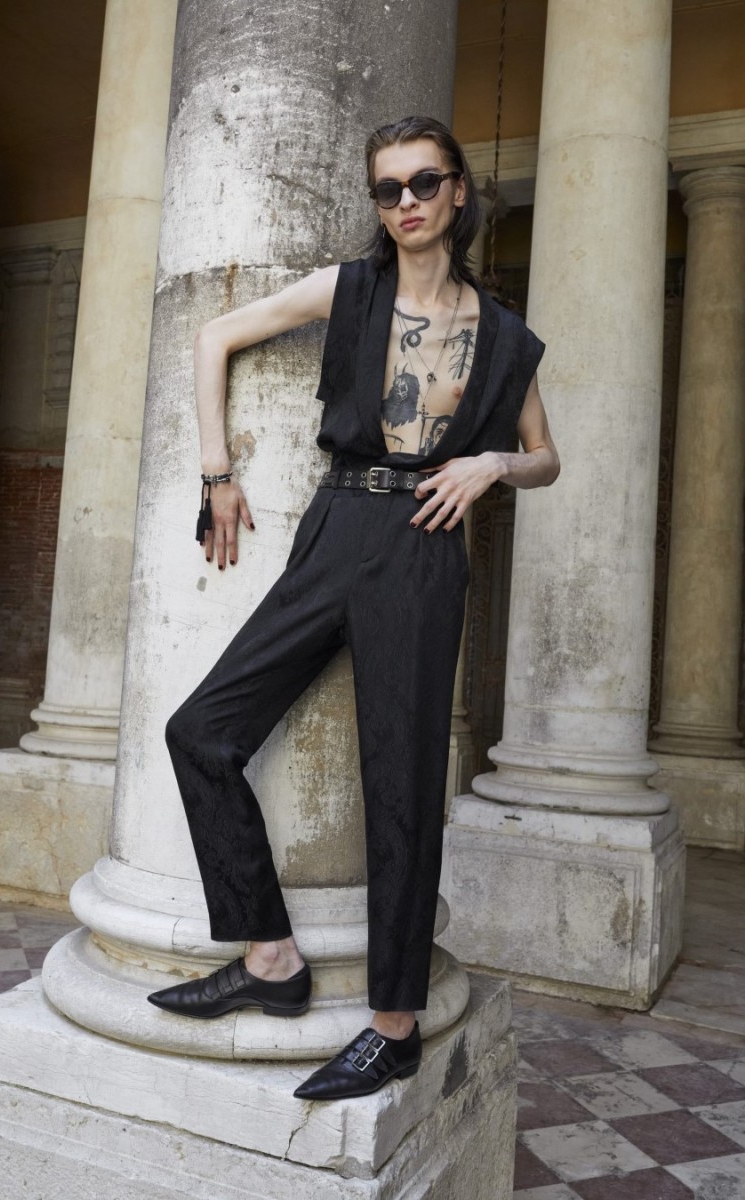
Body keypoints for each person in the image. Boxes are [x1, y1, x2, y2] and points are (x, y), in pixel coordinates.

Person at [147, 115, 560, 1101]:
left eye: (423, 182)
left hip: (424, 546)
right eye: (388, 189)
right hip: (335, 526)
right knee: (200, 731)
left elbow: (546, 457)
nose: (406, 202)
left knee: (402, 784)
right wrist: (217, 474)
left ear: (457, 191)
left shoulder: (505, 338)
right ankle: (271, 959)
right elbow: (212, 337)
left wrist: (492, 464)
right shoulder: (350, 288)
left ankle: (393, 1026)